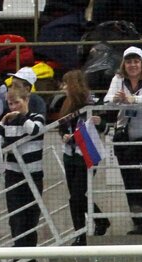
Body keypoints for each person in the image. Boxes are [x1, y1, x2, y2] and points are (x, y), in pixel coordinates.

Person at [103, 46, 142, 236]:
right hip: (124, 133)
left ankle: (139, 210)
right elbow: (107, 100)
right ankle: (139, 221)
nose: (133, 65)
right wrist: (118, 99)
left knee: (130, 164)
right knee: (128, 175)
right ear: (124, 64)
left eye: (136, 61)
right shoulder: (118, 78)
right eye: (129, 62)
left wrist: (132, 99)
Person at [56, 69, 109, 245]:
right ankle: (84, 232)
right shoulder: (65, 103)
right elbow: (61, 126)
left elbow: (104, 126)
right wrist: (64, 135)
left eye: (66, 83)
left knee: (77, 196)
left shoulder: (92, 102)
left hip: (87, 152)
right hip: (69, 153)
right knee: (74, 197)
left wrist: (99, 122)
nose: (63, 87)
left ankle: (92, 226)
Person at [0, 86, 47, 252]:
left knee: (31, 215)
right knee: (15, 216)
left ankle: (30, 254)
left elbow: (34, 130)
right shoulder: (6, 120)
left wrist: (21, 117)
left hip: (33, 174)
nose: (13, 107)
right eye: (10, 104)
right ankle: (18, 252)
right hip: (13, 174)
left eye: (17, 102)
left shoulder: (37, 117)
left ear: (26, 100)